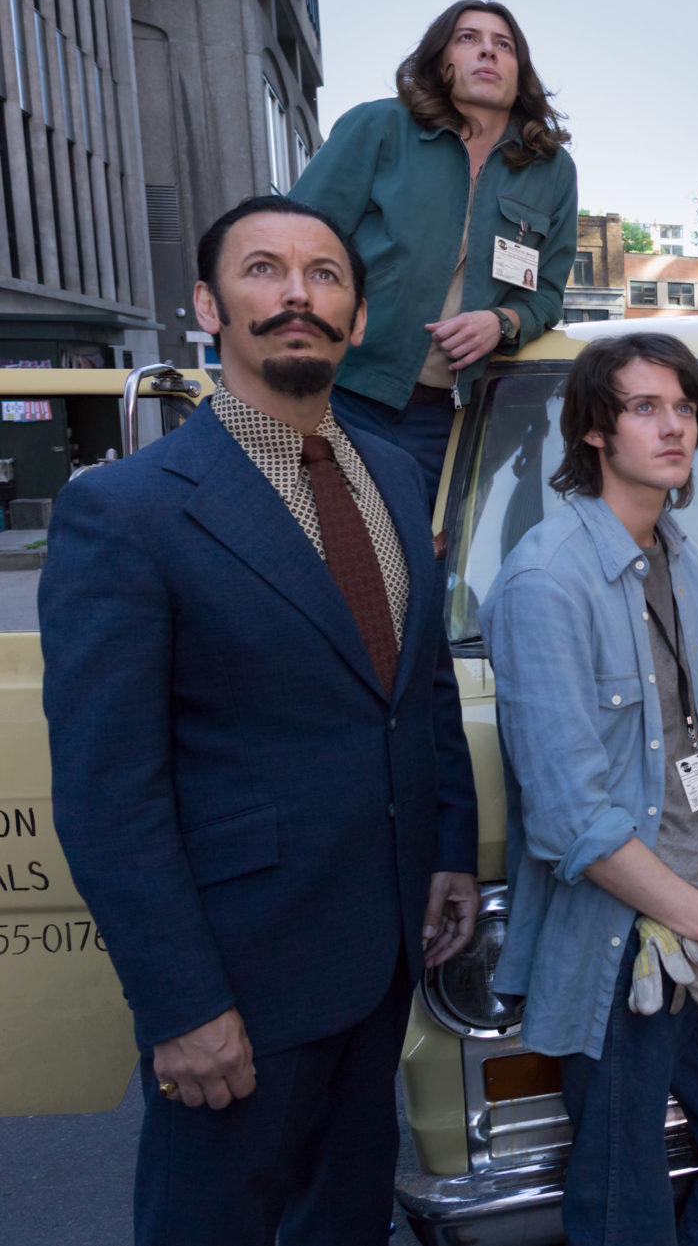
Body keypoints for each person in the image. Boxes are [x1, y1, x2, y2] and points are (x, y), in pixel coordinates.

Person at [40, 196, 480, 1245]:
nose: (297, 296)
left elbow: (420, 688)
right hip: (238, 985)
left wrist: (450, 850)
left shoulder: (394, 470)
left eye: (325, 276)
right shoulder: (130, 510)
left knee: (344, 1221)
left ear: (357, 317)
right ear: (207, 304)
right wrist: (180, 1003)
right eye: (264, 271)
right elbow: (111, 791)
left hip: (380, 956)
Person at [482, 331, 698, 1245]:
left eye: (683, 408)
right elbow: (573, 824)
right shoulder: (546, 582)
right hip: (624, 939)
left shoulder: (683, 557)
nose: (674, 427)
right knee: (620, 1196)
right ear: (595, 430)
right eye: (644, 408)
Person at [293, 0, 578, 485]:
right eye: (469, 39)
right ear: (438, 60)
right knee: (335, 549)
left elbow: (547, 295)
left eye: (503, 45)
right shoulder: (378, 127)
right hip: (343, 395)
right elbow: (296, 244)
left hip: (455, 416)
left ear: (519, 70)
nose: (487, 52)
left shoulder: (551, 169)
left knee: (431, 555)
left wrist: (502, 321)